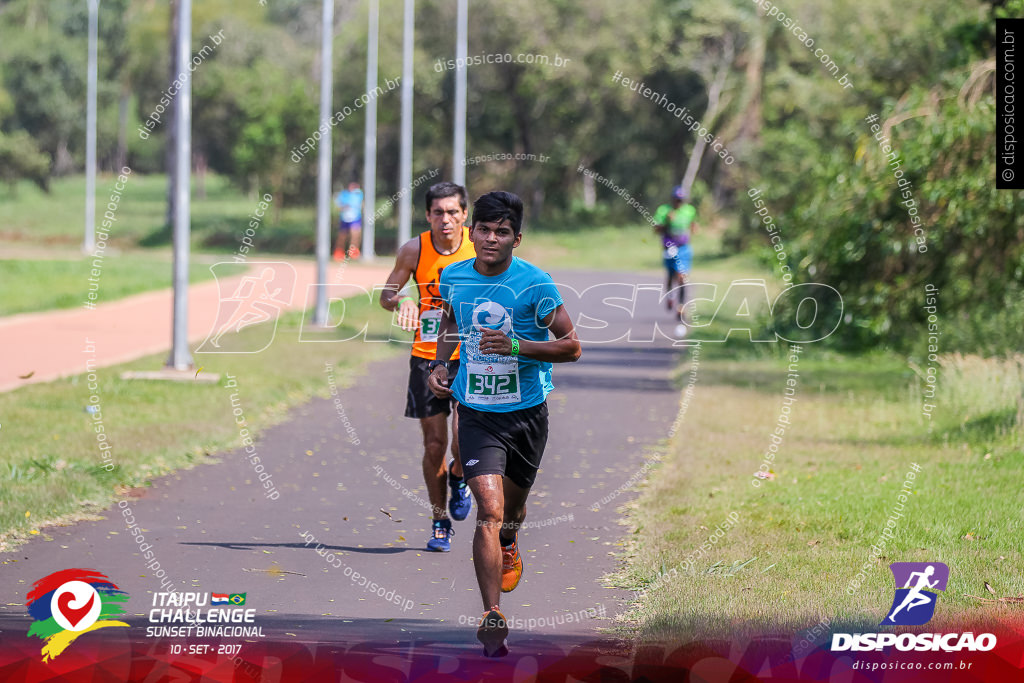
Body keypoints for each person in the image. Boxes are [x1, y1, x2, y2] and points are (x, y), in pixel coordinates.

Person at [427, 191, 581, 657]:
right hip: (475, 411)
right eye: (484, 230)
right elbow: (451, 320)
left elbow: (571, 346)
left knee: (511, 513)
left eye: (502, 232)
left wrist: (516, 347)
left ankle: (512, 539)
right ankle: (492, 614)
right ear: (471, 232)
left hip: (526, 414)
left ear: (517, 237)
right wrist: (441, 365)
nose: (491, 239)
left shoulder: (535, 284)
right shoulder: (453, 275)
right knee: (488, 511)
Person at [380, 182, 477, 552]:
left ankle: (459, 475)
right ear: (428, 215)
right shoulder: (414, 249)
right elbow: (387, 294)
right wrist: (401, 300)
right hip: (427, 355)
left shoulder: (478, 246)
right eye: (438, 212)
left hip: (471, 355)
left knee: (464, 441)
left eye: (453, 212)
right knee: (435, 443)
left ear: (464, 215)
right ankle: (440, 521)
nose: (446, 220)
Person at [653, 186, 697, 337]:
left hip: (684, 248)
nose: (679, 203)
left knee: (682, 276)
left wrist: (694, 229)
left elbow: (693, 225)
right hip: (669, 247)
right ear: (672, 199)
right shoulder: (664, 210)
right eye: (676, 200)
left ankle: (681, 306)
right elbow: (656, 229)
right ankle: (671, 296)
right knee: (671, 275)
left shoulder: (689, 210)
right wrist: (666, 221)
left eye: (681, 200)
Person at [334, 182, 363, 260]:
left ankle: (353, 252)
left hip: (355, 218)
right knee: (342, 236)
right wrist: (344, 207)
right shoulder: (343, 194)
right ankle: (339, 252)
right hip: (344, 218)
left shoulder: (359, 194)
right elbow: (339, 206)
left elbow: (361, 204)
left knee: (355, 234)